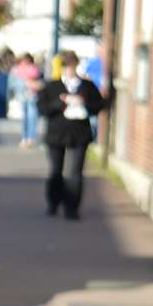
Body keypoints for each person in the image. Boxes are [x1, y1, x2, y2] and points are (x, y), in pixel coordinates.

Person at [38, 48, 106, 219]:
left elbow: (98, 106)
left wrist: (84, 102)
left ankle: (72, 208)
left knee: (75, 173)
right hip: (56, 133)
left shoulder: (87, 86)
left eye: (71, 65)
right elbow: (43, 108)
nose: (68, 69)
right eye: (65, 66)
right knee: (55, 170)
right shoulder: (52, 86)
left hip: (79, 133)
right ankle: (53, 203)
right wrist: (61, 103)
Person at [11, 52, 43, 148]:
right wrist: (26, 83)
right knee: (25, 117)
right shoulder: (16, 70)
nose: (26, 62)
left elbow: (41, 83)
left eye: (28, 60)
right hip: (22, 96)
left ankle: (31, 138)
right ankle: (24, 137)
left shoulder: (36, 70)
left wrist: (34, 84)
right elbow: (12, 84)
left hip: (32, 96)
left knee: (32, 116)